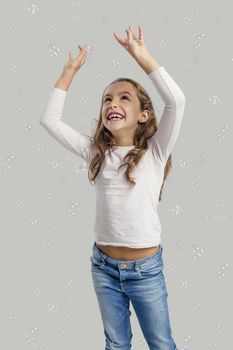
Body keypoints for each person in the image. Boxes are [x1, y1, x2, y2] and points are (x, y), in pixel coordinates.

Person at [40, 25, 185, 350]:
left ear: (144, 115)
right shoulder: (96, 153)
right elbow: (50, 120)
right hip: (103, 266)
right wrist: (69, 73)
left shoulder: (155, 153)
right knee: (116, 344)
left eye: (123, 97)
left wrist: (142, 56)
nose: (112, 103)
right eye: (107, 99)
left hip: (145, 270)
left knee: (161, 344)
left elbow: (176, 101)